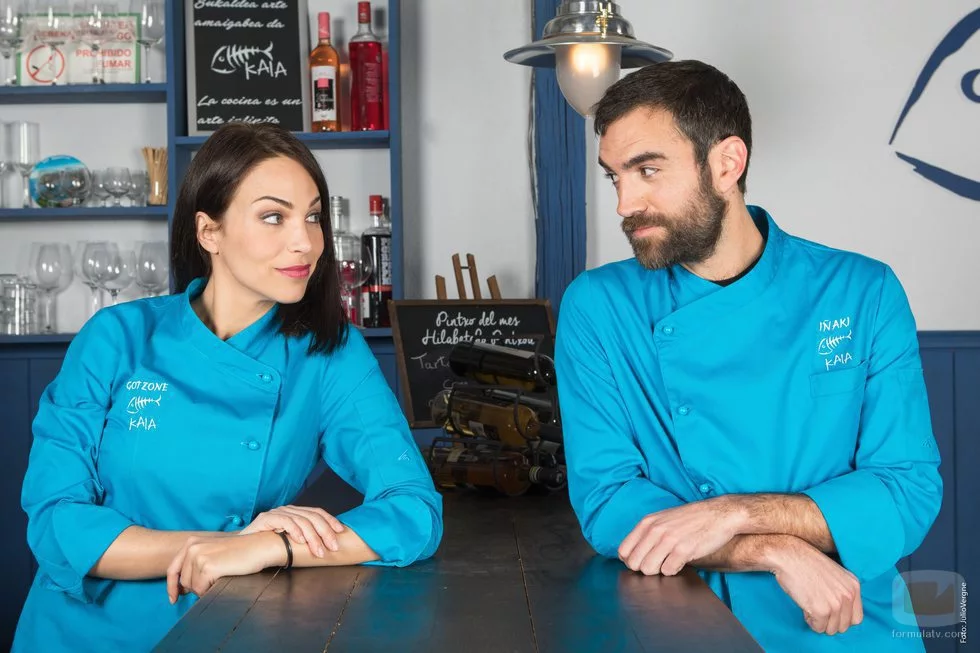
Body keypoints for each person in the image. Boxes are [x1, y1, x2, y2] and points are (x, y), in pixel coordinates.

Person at [555, 60, 942, 651]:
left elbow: (907, 491)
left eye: (647, 170)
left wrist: (733, 512)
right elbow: (608, 501)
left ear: (727, 163)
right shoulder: (598, 306)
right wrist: (774, 547)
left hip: (845, 619)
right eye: (615, 178)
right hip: (685, 617)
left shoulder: (861, 291)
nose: (625, 204)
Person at [13, 122, 443, 653]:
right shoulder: (117, 337)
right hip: (79, 632)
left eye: (313, 217)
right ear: (208, 232)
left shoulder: (329, 352)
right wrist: (229, 544)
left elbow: (413, 511)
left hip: (224, 625)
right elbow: (56, 520)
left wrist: (276, 548)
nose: (305, 243)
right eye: (273, 217)